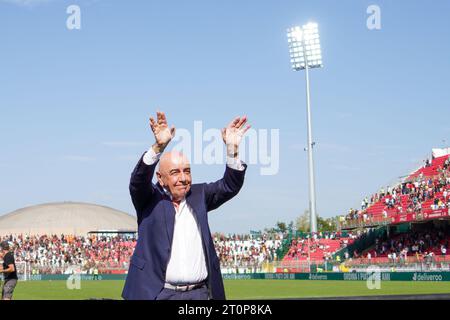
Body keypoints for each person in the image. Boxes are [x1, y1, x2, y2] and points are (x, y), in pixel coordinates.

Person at [122, 111, 250, 300]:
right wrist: (158, 147)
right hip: (159, 294)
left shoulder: (199, 195)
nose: (183, 178)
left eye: (187, 171)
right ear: (161, 178)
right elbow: (138, 181)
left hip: (200, 294)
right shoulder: (149, 198)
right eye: (175, 172)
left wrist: (232, 150)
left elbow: (229, 186)